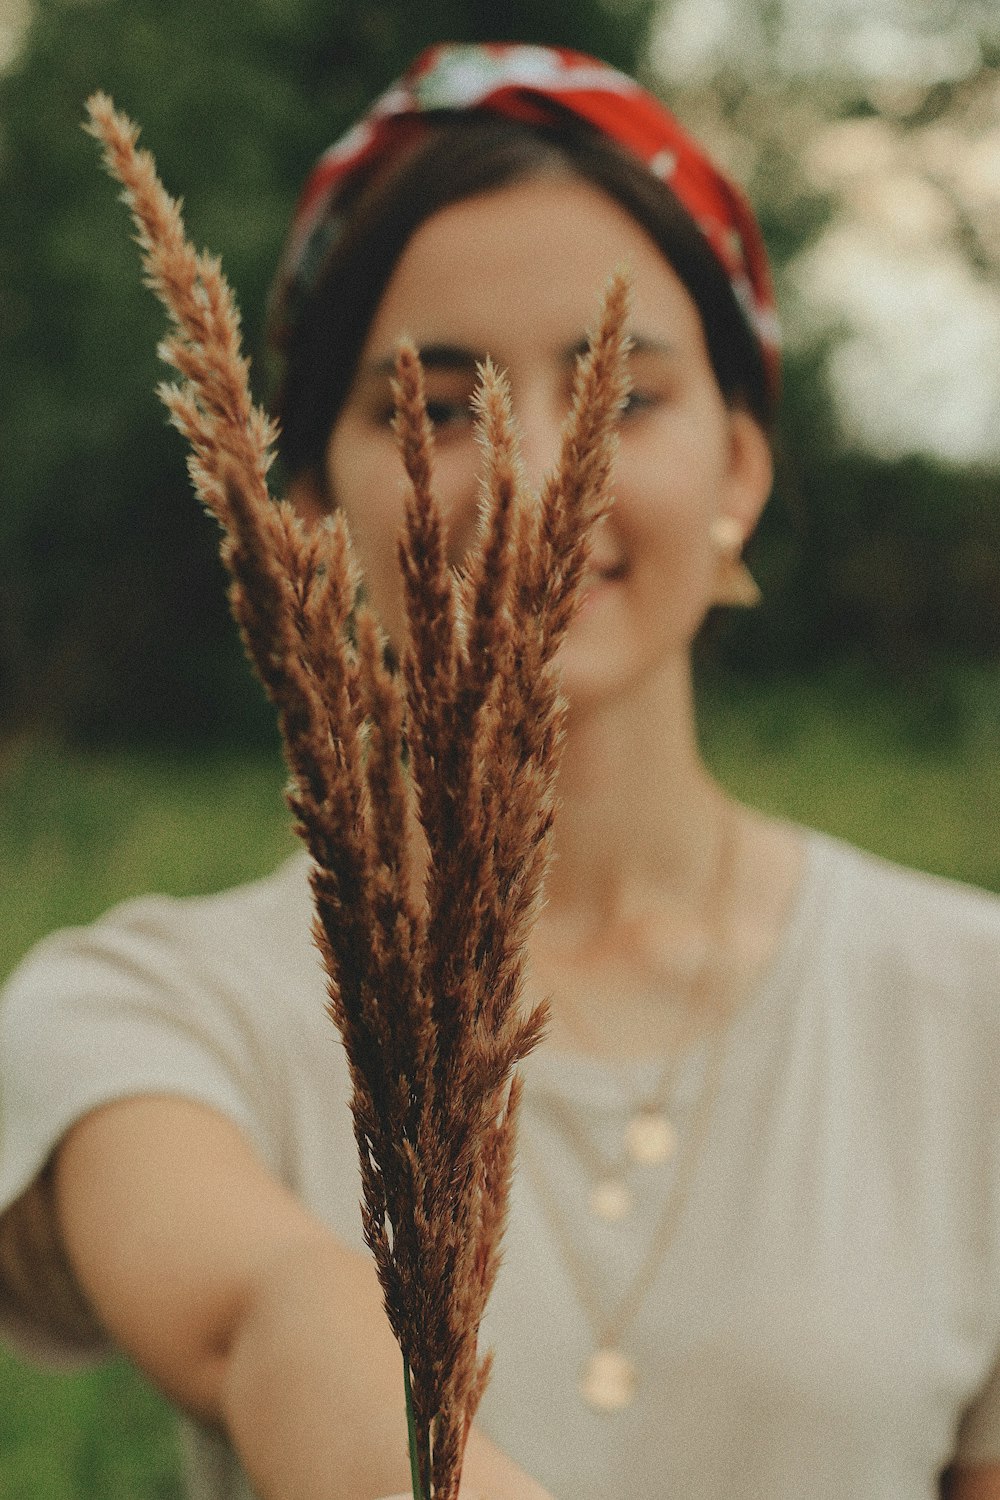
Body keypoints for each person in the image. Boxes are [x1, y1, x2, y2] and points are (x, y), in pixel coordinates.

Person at [1, 40, 999, 1500]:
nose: (529, 476)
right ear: (306, 503)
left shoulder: (969, 1006)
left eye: (624, 397)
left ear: (742, 466)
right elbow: (268, 1313)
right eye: (442, 407)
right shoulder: (148, 1006)